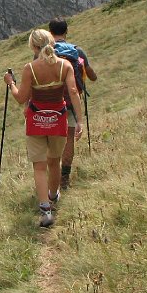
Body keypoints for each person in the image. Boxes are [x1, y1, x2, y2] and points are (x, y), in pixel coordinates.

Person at [4, 28, 84, 227]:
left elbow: (21, 98)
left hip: (36, 120)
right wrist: (80, 120)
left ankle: (45, 210)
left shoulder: (30, 68)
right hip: (58, 119)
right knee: (54, 162)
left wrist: (10, 84)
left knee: (39, 166)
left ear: (33, 46)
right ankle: (53, 196)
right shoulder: (65, 65)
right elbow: (73, 92)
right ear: (51, 43)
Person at [48, 18, 98, 189]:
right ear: (66, 31)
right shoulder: (77, 51)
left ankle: (50, 179)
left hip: (48, 103)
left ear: (50, 32)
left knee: (51, 142)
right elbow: (92, 76)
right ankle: (64, 179)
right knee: (69, 140)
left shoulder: (43, 52)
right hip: (69, 102)